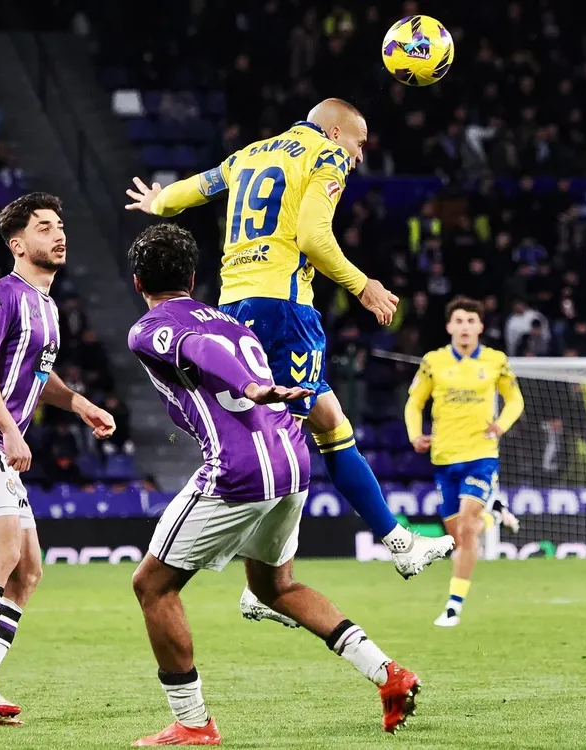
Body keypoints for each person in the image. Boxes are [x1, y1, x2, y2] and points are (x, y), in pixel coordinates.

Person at [124, 98, 454, 602]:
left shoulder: (248, 155)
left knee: (323, 419)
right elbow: (314, 237)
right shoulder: (325, 155)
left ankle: (390, 540)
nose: (359, 156)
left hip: (233, 308)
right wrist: (361, 284)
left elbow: (192, 192)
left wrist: (159, 201)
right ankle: (272, 581)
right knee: (297, 429)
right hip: (283, 307)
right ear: (337, 131)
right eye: (359, 143)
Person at [126, 224, 421, 746]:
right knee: (274, 587)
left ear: (137, 283)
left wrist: (251, 385)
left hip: (239, 471)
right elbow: (211, 344)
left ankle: (193, 722)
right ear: (194, 278)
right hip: (292, 462)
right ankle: (389, 675)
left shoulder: (150, 326)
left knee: (152, 585)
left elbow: (196, 349)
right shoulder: (228, 318)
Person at [0, 193, 116, 724]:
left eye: (59, 226)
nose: (57, 235)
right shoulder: (2, 295)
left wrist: (77, 400)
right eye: (42, 228)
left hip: (0, 443)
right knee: (5, 553)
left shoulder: (50, 307)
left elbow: (38, 376)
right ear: (17, 244)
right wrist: (12, 429)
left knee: (28, 570)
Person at [403, 297, 525, 627]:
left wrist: (501, 425)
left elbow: (515, 399)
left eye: (471, 321)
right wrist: (416, 434)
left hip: (481, 456)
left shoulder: (495, 360)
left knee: (468, 529)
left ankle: (454, 605)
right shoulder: (433, 362)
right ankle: (496, 515)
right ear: (449, 327)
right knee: (458, 536)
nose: (465, 327)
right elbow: (414, 403)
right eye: (459, 321)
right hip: (444, 457)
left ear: (481, 327)